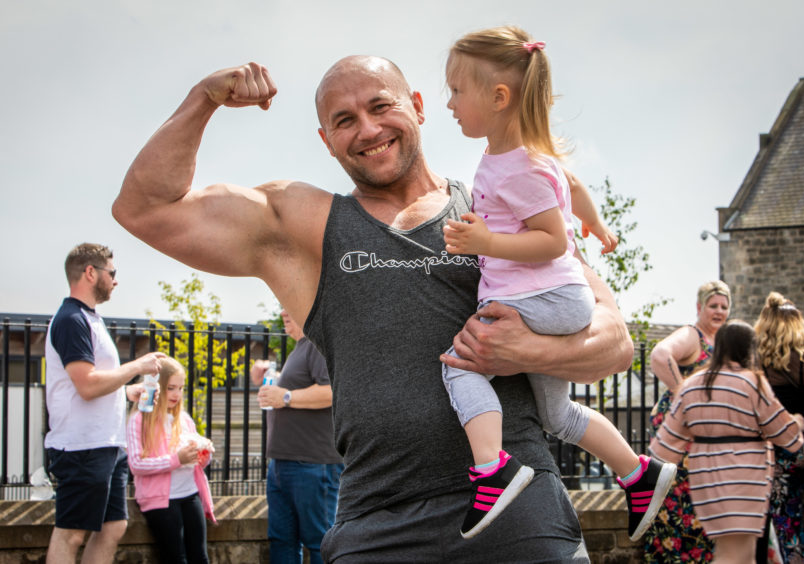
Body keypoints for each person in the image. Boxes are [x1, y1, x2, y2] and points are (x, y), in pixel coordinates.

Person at [113, 53, 634, 562]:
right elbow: (145, 209)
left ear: (419, 106)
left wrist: (532, 349)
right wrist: (203, 99)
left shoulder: (498, 209)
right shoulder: (301, 227)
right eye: (344, 120)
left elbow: (615, 344)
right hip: (376, 526)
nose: (366, 128)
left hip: (519, 514)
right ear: (326, 140)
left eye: (380, 106)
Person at [439, 25, 676, 541]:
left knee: (460, 366)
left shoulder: (516, 168)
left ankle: (492, 470)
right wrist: (595, 221)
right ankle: (640, 473)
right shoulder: (522, 155)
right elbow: (568, 182)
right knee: (558, 415)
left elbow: (551, 240)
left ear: (499, 97)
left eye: (457, 90)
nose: (449, 102)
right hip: (552, 298)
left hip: (538, 298)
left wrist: (486, 242)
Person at [44, 243, 165, 564]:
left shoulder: (90, 319)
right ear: (90, 272)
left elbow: (94, 383)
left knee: (113, 527)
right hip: (82, 447)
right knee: (71, 534)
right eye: (112, 273)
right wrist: (137, 366)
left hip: (107, 445)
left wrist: (128, 392)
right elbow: (86, 384)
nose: (115, 280)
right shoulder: (71, 320)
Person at [649, 320, 804, 564]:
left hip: (703, 476)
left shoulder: (692, 384)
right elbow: (785, 433)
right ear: (749, 349)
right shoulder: (752, 382)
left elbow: (665, 446)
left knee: (733, 552)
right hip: (746, 474)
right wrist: (798, 422)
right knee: (738, 554)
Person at [645, 279, 731, 562]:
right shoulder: (693, 335)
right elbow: (659, 355)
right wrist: (685, 397)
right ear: (699, 307)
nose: (718, 311)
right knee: (680, 508)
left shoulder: (723, 343)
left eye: (724, 306)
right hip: (682, 439)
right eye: (713, 305)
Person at [249, 309, 343, 564]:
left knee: (320, 543)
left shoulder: (316, 343)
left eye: (288, 304)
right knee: (281, 540)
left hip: (311, 464)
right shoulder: (298, 348)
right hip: (282, 463)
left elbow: (332, 391)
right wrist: (271, 382)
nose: (283, 311)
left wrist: (286, 396)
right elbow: (294, 391)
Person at [126, 357, 215, 563]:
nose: (177, 394)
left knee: (200, 557)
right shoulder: (138, 420)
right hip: (160, 500)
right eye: (171, 388)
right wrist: (176, 460)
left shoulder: (184, 419)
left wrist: (203, 454)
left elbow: (197, 464)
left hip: (190, 494)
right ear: (156, 388)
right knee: (176, 558)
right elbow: (136, 464)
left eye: (181, 388)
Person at [754, 292, 804, 563]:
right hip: (798, 450)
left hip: (765, 453)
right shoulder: (802, 361)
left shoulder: (756, 364)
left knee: (763, 523)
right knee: (795, 521)